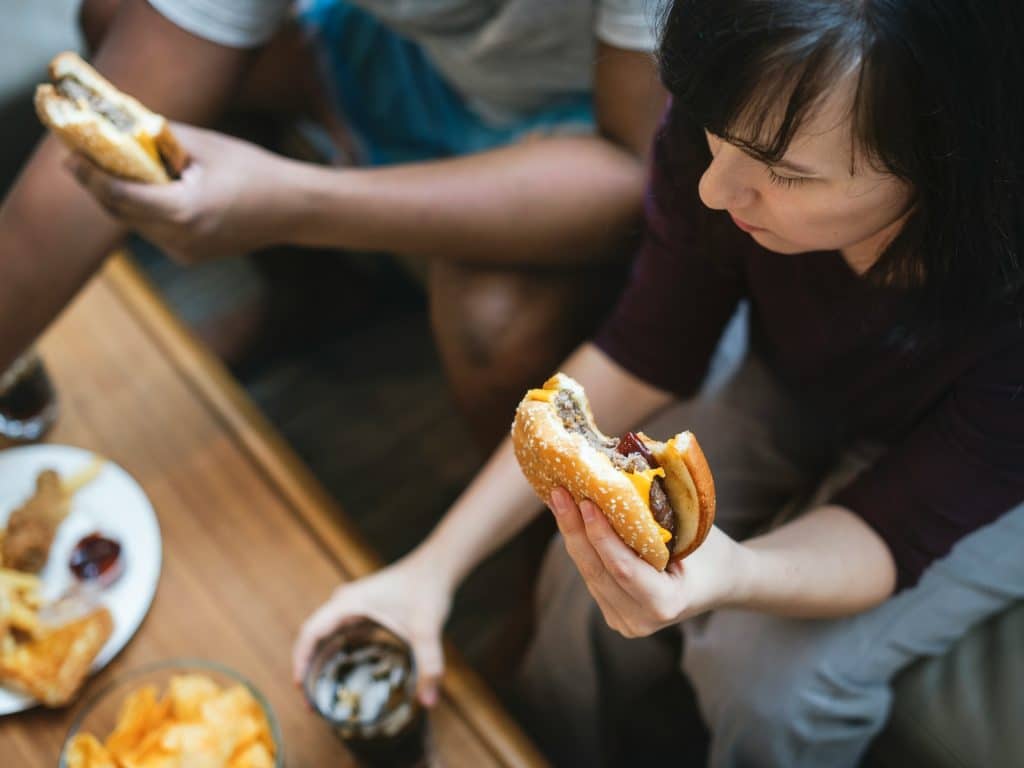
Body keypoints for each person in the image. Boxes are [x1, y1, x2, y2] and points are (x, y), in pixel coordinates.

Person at [292, 0, 1024, 765]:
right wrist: (429, 571)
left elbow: (894, 531)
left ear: (950, 163)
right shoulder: (733, 131)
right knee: (581, 587)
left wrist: (732, 573)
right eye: (716, 127)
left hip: (993, 468)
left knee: (767, 685)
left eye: (784, 173)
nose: (714, 189)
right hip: (807, 377)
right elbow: (646, 349)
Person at [0, 0, 667, 449]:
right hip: (421, 62)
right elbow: (112, 117)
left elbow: (637, 171)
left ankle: (542, 564)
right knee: (115, 17)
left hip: (598, 110)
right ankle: (321, 295)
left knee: (495, 326)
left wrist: (295, 204)